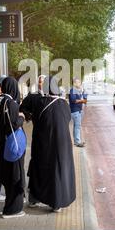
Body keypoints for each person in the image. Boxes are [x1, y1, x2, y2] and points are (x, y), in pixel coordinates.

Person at [21, 76, 76, 213]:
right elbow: (67, 119)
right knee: (57, 171)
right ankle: (56, 203)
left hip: (42, 142)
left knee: (39, 168)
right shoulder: (64, 104)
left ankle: (34, 199)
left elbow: (27, 112)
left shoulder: (39, 102)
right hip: (62, 145)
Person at [0, 77, 26, 219]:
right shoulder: (10, 103)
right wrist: (21, 116)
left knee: (6, 176)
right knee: (14, 177)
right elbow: (15, 123)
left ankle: (9, 205)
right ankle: (12, 210)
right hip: (10, 146)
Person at [69, 77, 87, 147]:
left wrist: (83, 95)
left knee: (76, 126)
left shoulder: (80, 91)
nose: (79, 83)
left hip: (79, 111)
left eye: (80, 82)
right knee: (77, 127)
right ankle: (78, 142)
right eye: (78, 82)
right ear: (74, 83)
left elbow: (85, 101)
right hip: (75, 111)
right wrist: (82, 100)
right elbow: (74, 100)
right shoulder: (72, 90)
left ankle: (76, 141)